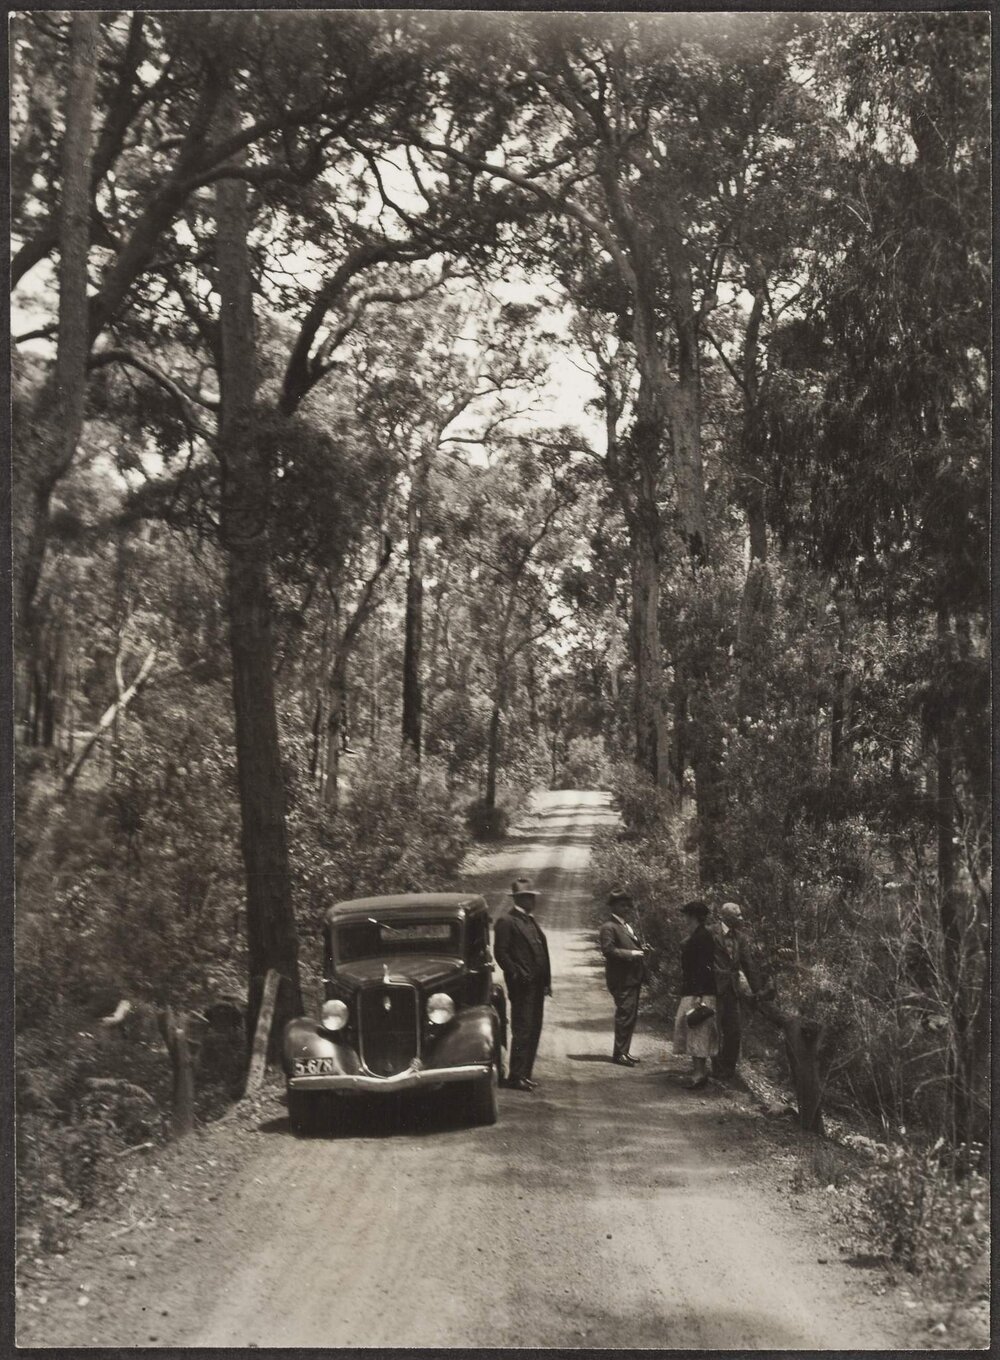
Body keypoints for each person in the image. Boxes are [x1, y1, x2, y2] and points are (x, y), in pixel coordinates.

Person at [493, 877, 552, 1092]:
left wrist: (546, 982)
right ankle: (515, 1075)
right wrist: (516, 973)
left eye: (532, 897)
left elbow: (541, 952)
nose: (532, 900)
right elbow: (501, 953)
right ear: (519, 898)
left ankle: (525, 1074)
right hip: (522, 986)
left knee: (534, 1028)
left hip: (536, 986)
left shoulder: (530, 920)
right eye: (528, 897)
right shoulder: (507, 922)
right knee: (523, 1029)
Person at [711, 900, 763, 1081]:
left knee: (734, 1030)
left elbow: (749, 966)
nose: (741, 918)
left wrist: (758, 991)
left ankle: (728, 1070)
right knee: (714, 1030)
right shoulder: (711, 933)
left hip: (733, 990)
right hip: (714, 988)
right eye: (737, 915)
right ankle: (716, 1069)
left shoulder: (741, 938)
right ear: (726, 916)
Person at [672, 899, 719, 1090]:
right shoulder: (696, 936)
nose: (684, 919)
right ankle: (697, 1073)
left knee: (698, 1031)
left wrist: (699, 994)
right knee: (691, 1029)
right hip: (692, 989)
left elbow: (704, 967)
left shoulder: (703, 937)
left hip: (700, 991)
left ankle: (700, 1074)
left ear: (693, 916)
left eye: (686, 915)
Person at [599, 886, 646, 1066]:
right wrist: (633, 954)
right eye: (623, 905)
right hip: (621, 978)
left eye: (628, 905)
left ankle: (624, 1051)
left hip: (633, 977)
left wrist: (641, 951)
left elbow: (629, 947)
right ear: (614, 907)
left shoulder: (625, 926)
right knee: (624, 1014)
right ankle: (619, 1054)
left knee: (630, 1015)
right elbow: (608, 950)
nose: (627, 908)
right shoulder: (608, 927)